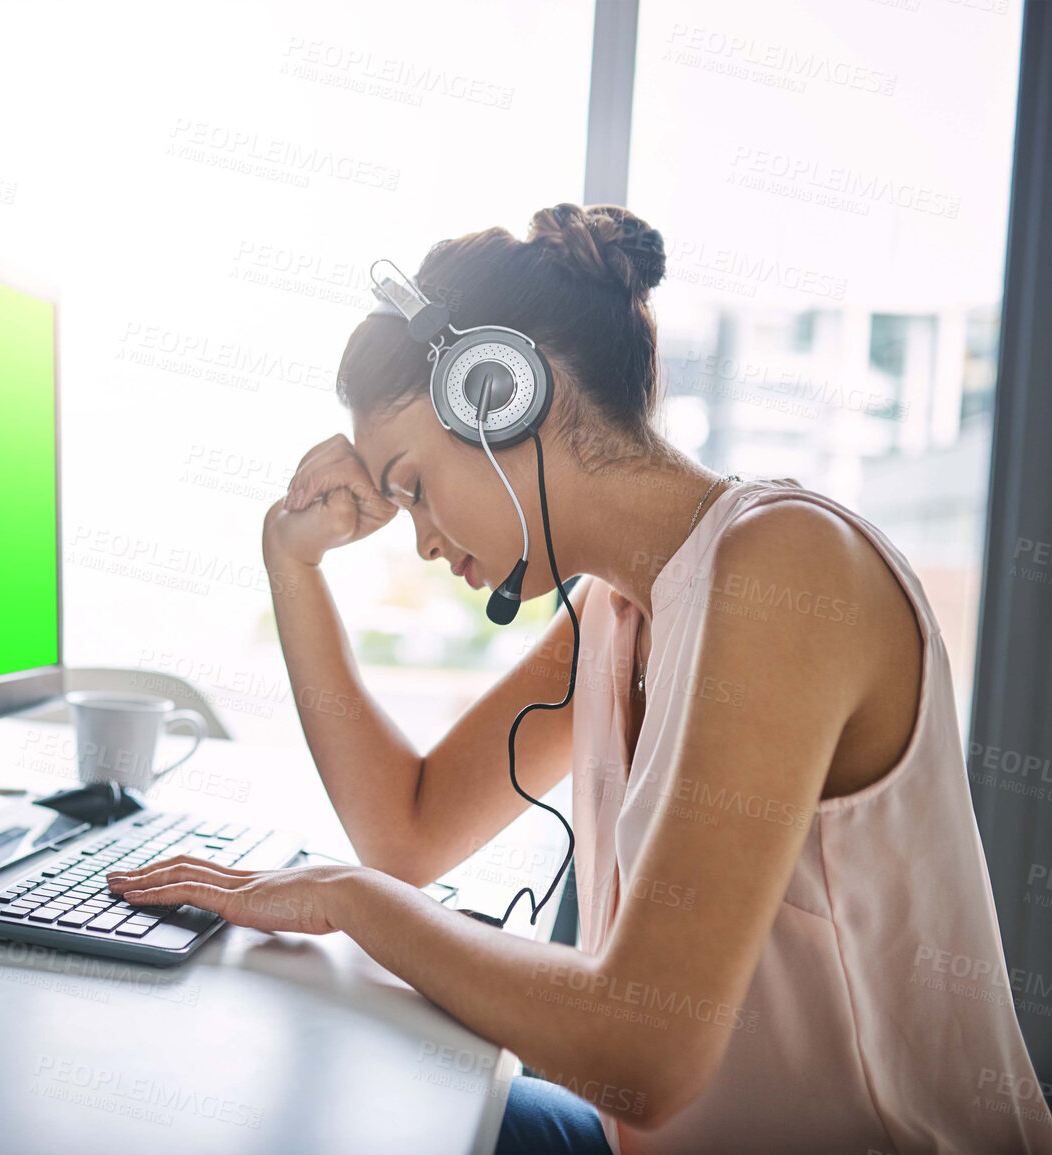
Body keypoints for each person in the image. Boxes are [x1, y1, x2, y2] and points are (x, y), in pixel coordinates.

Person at [108, 204, 1052, 1154]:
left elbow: (644, 1055)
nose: (423, 538)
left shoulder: (787, 565)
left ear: (501, 394)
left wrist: (350, 901)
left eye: (413, 485)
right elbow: (405, 828)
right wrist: (294, 567)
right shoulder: (614, 610)